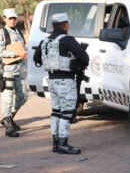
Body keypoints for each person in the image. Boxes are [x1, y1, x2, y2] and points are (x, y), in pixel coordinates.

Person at [33, 13, 90, 155]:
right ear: (66, 25)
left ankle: (56, 143)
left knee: (56, 112)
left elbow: (36, 58)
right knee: (66, 113)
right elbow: (84, 58)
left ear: (53, 25)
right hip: (66, 81)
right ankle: (63, 144)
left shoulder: (45, 41)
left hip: (52, 80)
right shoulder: (67, 40)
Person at [0, 7, 28, 137]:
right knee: (7, 98)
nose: (13, 20)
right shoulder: (2, 32)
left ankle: (8, 118)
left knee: (23, 96)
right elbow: (0, 52)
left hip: (19, 69)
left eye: (14, 18)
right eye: (10, 18)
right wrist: (16, 54)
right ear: (4, 19)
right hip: (7, 69)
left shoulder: (18, 31)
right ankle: (8, 126)